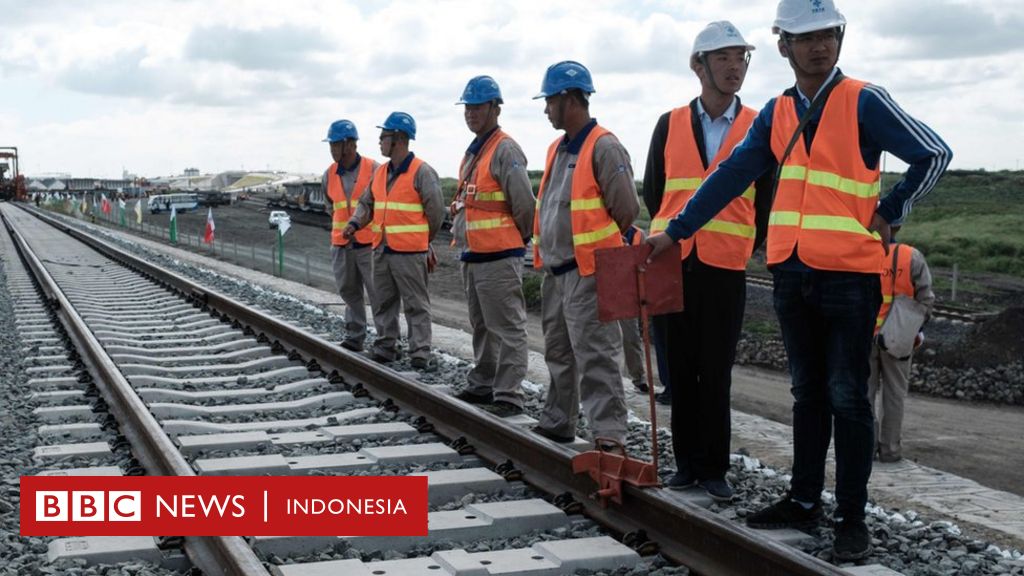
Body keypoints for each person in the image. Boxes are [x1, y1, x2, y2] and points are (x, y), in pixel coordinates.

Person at [646, 0, 951, 561]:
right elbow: (732, 175)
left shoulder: (864, 99)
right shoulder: (778, 112)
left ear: (839, 38)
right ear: (783, 45)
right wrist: (677, 230)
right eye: (806, 38)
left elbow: (934, 153)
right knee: (808, 394)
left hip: (850, 277)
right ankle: (804, 501)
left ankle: (851, 518)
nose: (820, 46)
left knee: (847, 398)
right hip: (792, 273)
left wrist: (892, 208)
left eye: (829, 35)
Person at [642, 21, 773, 502]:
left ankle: (713, 467)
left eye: (741, 57)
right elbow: (655, 190)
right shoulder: (669, 123)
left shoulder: (760, 124)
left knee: (716, 372)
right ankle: (685, 465)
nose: (734, 66)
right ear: (699, 65)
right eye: (723, 57)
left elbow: (767, 195)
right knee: (679, 368)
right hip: (672, 261)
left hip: (724, 264)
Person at [530, 61, 639, 448]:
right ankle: (559, 419)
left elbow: (627, 210)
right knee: (559, 352)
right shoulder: (556, 149)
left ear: (567, 99)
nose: (546, 110)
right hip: (557, 273)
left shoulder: (604, 146)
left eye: (549, 101)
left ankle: (609, 435)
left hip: (590, 272)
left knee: (596, 356)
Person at [450, 75, 536, 417]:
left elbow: (524, 205)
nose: (470, 113)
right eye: (467, 107)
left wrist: (517, 240)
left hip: (499, 256)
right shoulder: (475, 152)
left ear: (495, 108)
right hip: (474, 255)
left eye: (477, 106)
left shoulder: (504, 149)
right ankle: (484, 382)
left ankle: (509, 394)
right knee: (483, 325)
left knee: (508, 327)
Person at [344, 112, 446, 370]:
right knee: (383, 302)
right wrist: (355, 223)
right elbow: (367, 203)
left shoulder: (422, 172)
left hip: (410, 253)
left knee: (416, 304)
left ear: (398, 139)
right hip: (382, 249)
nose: (379, 142)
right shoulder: (380, 174)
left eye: (383, 137)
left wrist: (422, 241)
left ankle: (420, 352)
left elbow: (436, 213)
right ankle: (386, 346)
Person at [869, 228, 934, 462]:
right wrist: (915, 329)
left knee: (863, 395)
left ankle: (864, 449)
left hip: (864, 336)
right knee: (894, 396)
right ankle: (890, 451)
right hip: (899, 338)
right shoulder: (911, 257)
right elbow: (926, 301)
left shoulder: (863, 252)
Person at [322, 119, 379, 352]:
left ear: (349, 145)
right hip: (341, 244)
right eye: (331, 145)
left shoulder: (373, 169)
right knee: (349, 291)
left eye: (335, 144)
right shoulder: (329, 174)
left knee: (378, 294)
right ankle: (355, 335)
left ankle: (387, 340)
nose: (332, 149)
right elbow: (330, 207)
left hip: (368, 243)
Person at [619, 225, 648, 393]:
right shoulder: (601, 228)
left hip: (626, 292)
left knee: (631, 338)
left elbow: (643, 263)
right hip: (601, 289)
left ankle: (638, 378)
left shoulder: (637, 235)